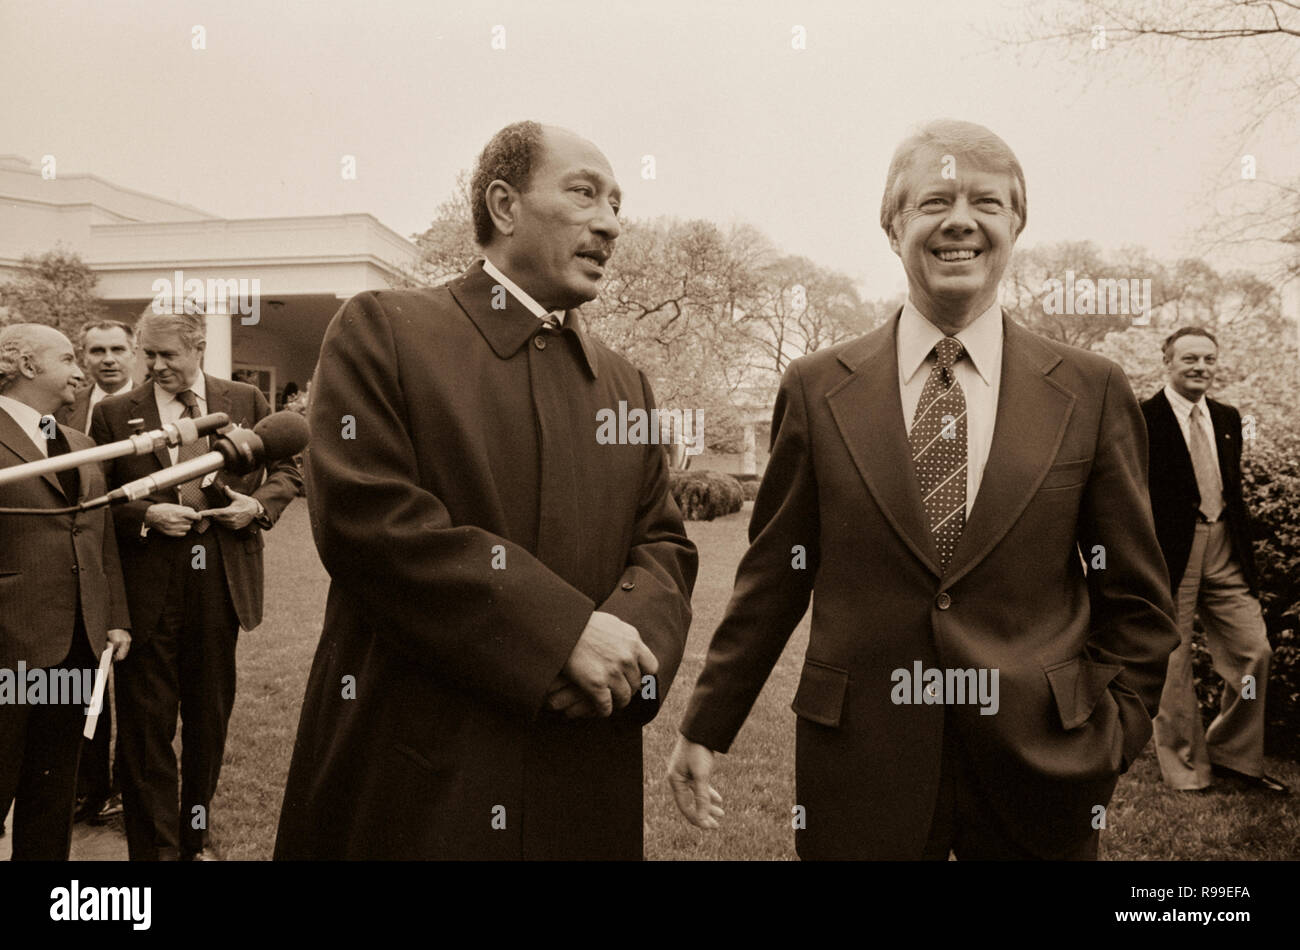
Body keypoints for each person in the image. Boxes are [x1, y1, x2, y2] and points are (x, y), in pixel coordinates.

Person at [667, 119, 1180, 860]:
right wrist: (706, 724)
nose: (961, 221)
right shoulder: (816, 389)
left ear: (1016, 224)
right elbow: (775, 577)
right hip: (859, 768)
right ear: (893, 224)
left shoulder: (1091, 390)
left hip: (1042, 767)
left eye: (988, 203)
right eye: (935, 200)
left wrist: (1112, 735)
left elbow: (1138, 601)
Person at [274, 121, 697, 860]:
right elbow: (367, 521)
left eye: (618, 205)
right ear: (503, 205)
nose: (610, 223)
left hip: (583, 762)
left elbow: (663, 544)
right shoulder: (384, 330)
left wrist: (624, 657)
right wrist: (560, 635)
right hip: (419, 774)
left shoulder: (626, 383)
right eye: (584, 193)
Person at [90, 307, 302, 860]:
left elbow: (289, 471)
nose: (155, 366)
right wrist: (146, 516)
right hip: (147, 591)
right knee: (145, 731)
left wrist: (256, 506)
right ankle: (154, 852)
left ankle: (193, 841)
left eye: (169, 355)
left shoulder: (246, 401)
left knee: (208, 722)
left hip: (220, 588)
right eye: (149, 355)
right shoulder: (115, 414)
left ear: (199, 347)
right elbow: (94, 507)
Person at [0, 323, 131, 860]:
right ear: (28, 365)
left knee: (52, 793)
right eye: (69, 358)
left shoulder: (80, 445)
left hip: (77, 640)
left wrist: (113, 616)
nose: (82, 371)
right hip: (9, 646)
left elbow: (97, 538)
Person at [1143, 327, 1287, 794]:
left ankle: (1232, 754)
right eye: (1189, 359)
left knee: (1254, 651)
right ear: (1167, 362)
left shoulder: (1226, 417)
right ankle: (1185, 768)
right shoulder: (1143, 418)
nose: (1200, 367)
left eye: (1208, 358)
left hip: (1224, 545)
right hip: (1170, 555)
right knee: (1174, 660)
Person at [56, 318, 139, 826]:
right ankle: (92, 786)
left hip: (137, 562)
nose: (106, 359)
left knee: (135, 689)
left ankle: (130, 787)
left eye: (116, 349)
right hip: (79, 568)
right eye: (95, 351)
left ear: (133, 353)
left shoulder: (149, 408)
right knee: (85, 689)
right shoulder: (68, 407)